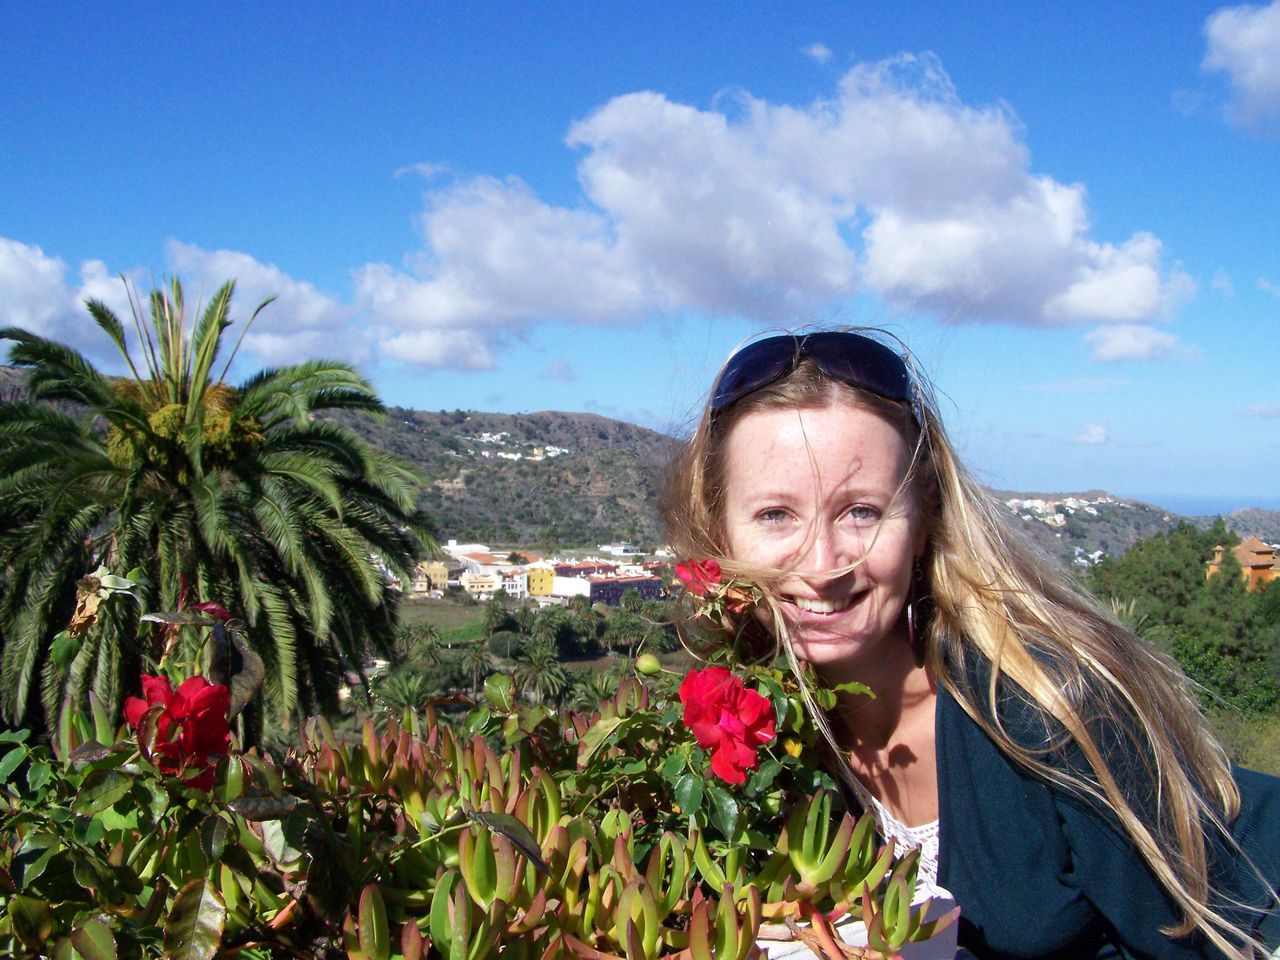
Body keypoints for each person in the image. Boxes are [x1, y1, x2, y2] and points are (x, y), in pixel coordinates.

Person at [661, 329, 1280, 959]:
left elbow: (1195, 946)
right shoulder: (763, 728)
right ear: (720, 532)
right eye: (775, 515)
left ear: (925, 517)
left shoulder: (1047, 707)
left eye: (862, 512)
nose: (822, 563)